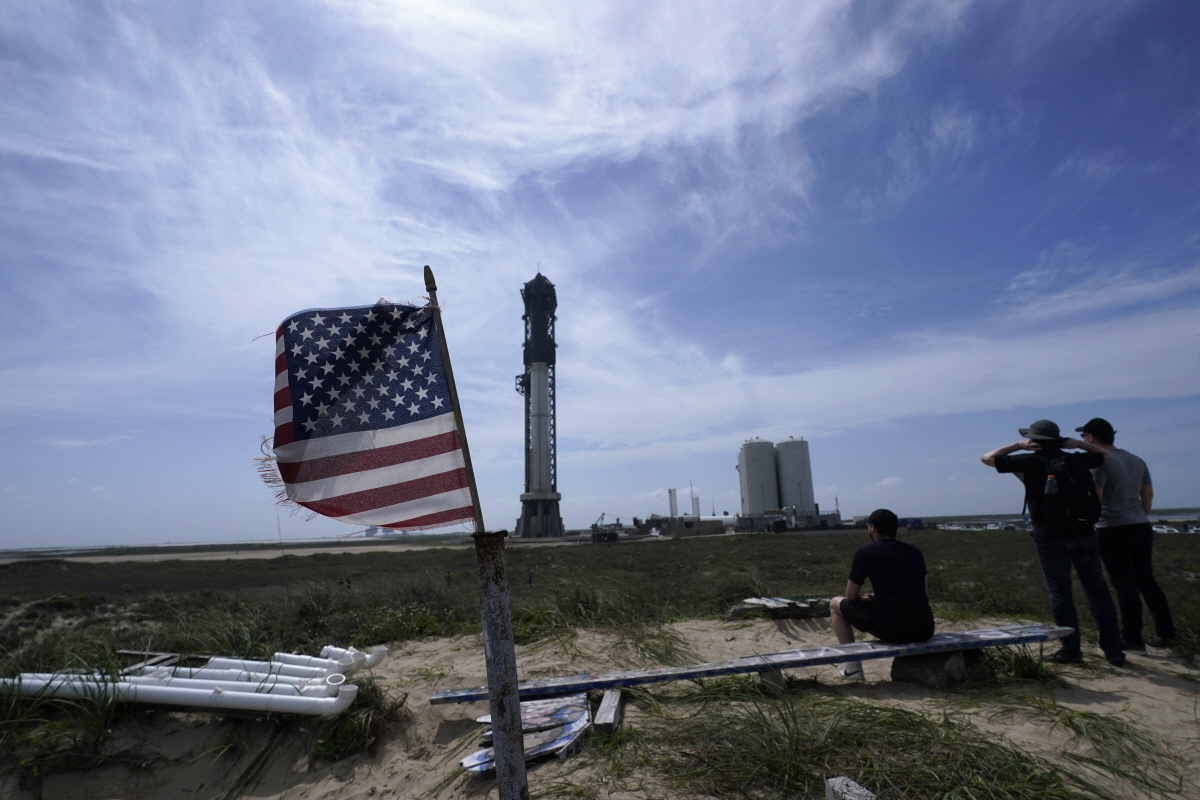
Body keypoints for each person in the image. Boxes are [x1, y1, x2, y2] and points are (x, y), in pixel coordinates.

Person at [981, 419, 1125, 666]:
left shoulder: (1029, 460)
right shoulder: (1077, 458)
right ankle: (1114, 651)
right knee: (1098, 592)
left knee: (1061, 593)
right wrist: (1078, 444)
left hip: (1049, 536)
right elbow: (1105, 456)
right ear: (1058, 439)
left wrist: (1018, 445)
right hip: (1084, 532)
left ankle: (1071, 651)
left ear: (1033, 440)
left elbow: (987, 458)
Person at [1077, 417, 1175, 650]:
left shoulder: (1100, 463)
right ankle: (1167, 632)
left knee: (1124, 585)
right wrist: (1140, 516)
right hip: (1140, 524)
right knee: (1147, 581)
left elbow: (1096, 498)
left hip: (1112, 527)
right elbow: (1147, 495)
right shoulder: (1136, 460)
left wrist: (1087, 523)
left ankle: (1132, 637)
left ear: (1090, 438)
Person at [830, 508, 935, 681]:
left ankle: (853, 667)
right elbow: (922, 593)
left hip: (892, 630)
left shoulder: (865, 553)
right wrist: (882, 598)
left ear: (872, 528)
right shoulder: (914, 551)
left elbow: (850, 596)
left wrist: (868, 602)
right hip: (924, 628)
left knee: (835, 604)